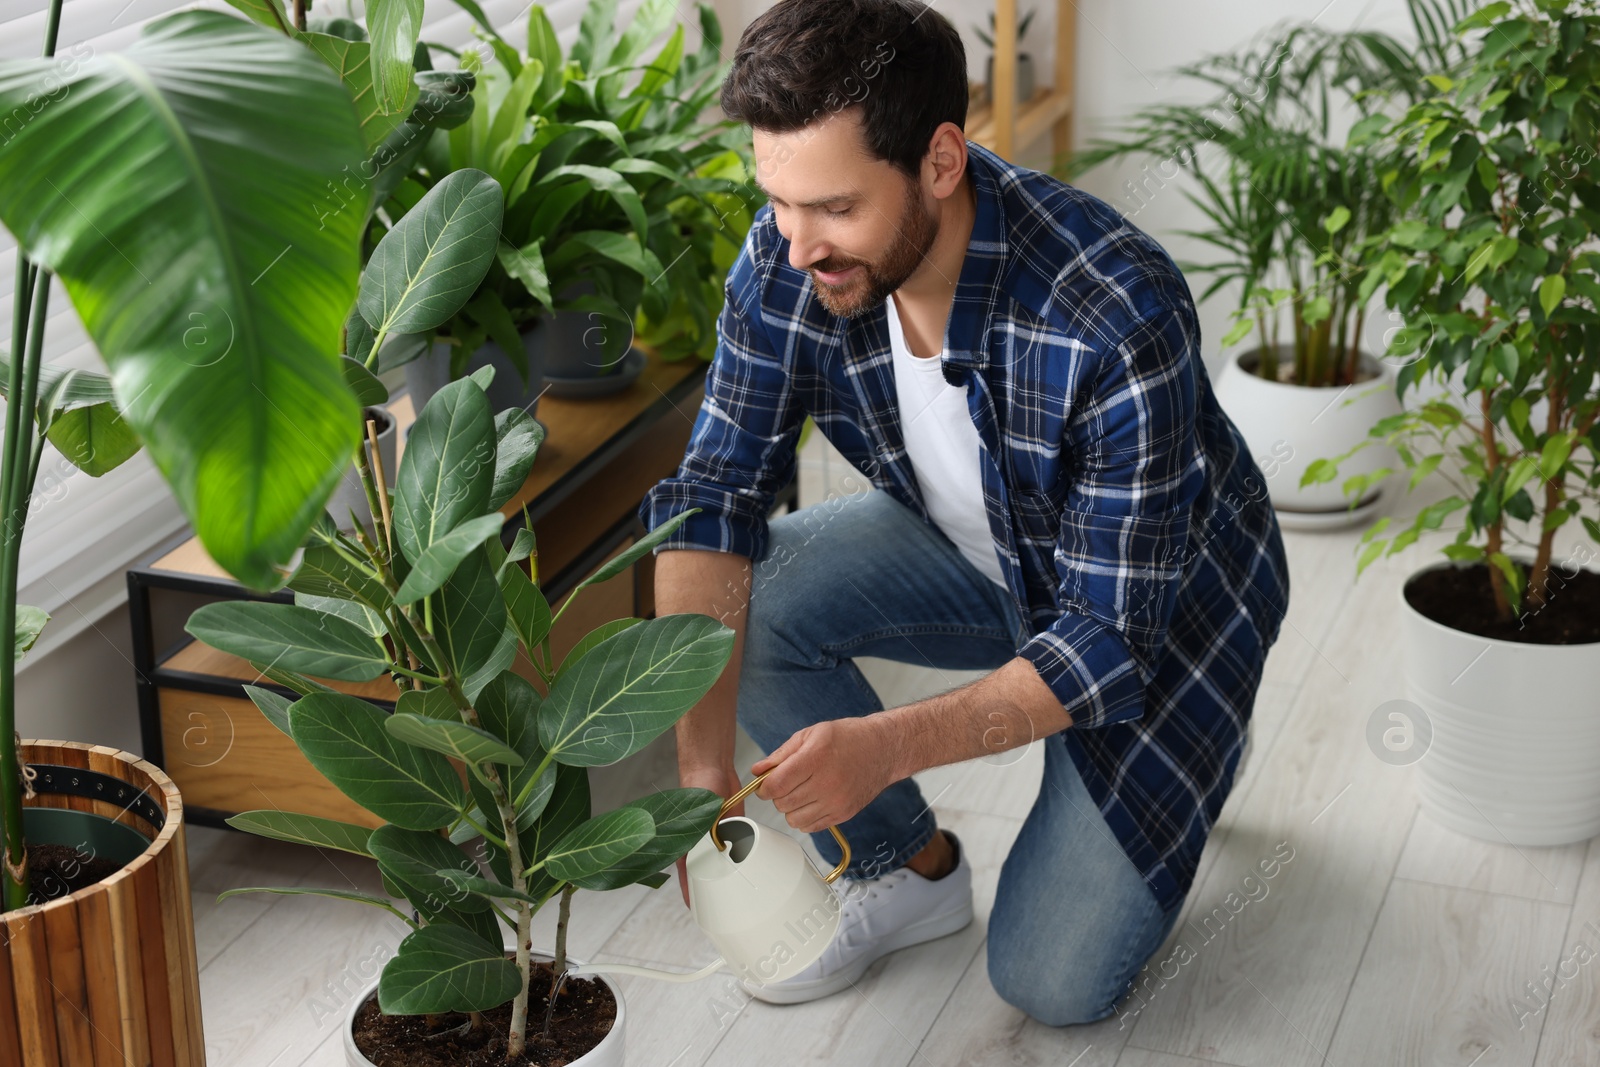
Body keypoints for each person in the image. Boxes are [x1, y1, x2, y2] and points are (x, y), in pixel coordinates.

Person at [637, 0, 1291, 1025]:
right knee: (747, 595)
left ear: (941, 161)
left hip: (1161, 613)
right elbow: (713, 500)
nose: (797, 246)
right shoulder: (792, 255)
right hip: (978, 546)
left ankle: (1206, 739)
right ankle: (910, 870)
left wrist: (886, 742)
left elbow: (1106, 639)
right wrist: (699, 772)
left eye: (835, 208)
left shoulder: (1115, 311)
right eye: (778, 202)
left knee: (1048, 980)